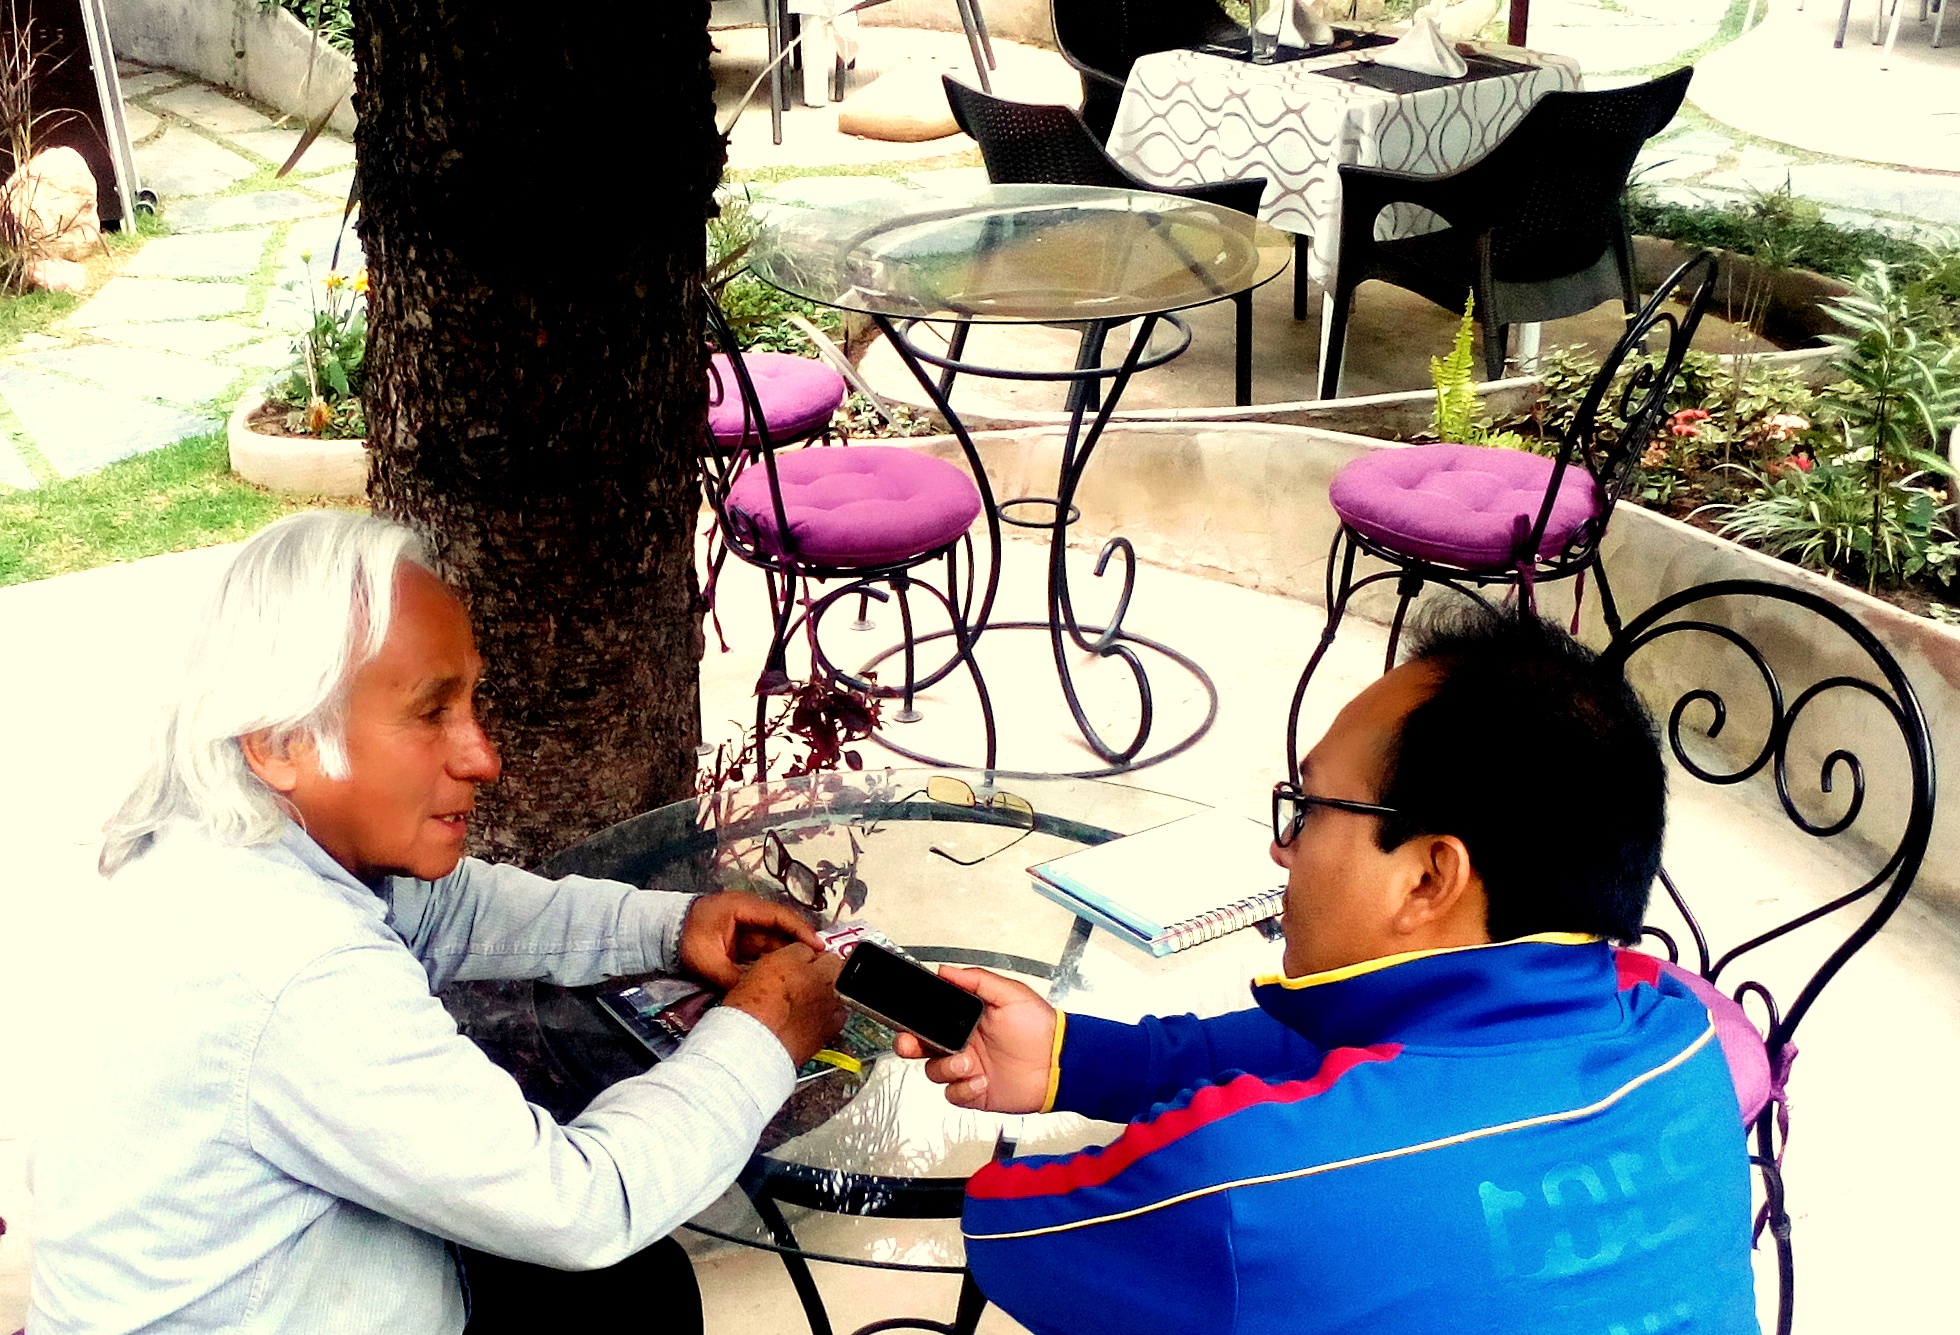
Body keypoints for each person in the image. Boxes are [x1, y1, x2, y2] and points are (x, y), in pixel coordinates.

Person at [28, 512, 847, 1335]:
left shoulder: (231, 836)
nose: (482, 756)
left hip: (318, 1279)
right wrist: (762, 1033)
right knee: (628, 1281)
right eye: (431, 712)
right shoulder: (295, 968)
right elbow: (581, 1205)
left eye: (471, 701)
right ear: (279, 742)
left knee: (643, 1289)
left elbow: (454, 905)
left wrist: (671, 926)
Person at [896, 606, 1761, 1335]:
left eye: (1309, 808)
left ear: (1428, 877)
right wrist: (1074, 1056)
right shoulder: (1679, 1034)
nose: (1282, 847)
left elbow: (1008, 1228)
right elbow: (1385, 1053)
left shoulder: (1240, 1190)